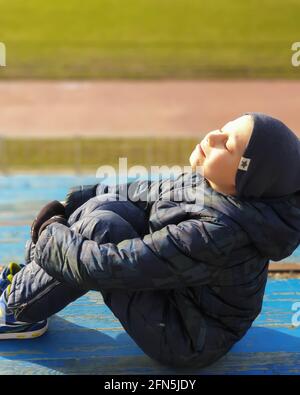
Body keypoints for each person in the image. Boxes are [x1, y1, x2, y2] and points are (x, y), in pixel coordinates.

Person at [0, 112, 299, 369]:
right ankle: (28, 281)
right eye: (223, 129)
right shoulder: (213, 184)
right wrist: (78, 200)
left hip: (185, 335)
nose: (212, 137)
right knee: (102, 208)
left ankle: (17, 311)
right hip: (179, 292)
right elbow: (144, 191)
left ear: (244, 180)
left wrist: (51, 235)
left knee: (99, 227)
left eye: (228, 145)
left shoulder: (220, 233)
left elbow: (112, 267)